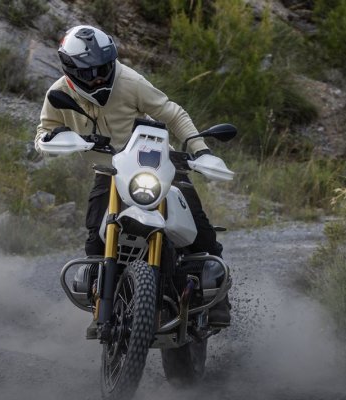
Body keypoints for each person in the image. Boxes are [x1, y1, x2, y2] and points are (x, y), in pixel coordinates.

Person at [34, 25, 231, 336]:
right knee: (95, 235)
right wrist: (55, 139)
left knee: (199, 225)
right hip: (109, 172)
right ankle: (102, 302)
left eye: (104, 67)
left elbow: (172, 113)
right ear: (71, 70)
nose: (99, 76)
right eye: (91, 72)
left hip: (155, 164)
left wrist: (200, 150)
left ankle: (219, 298)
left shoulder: (129, 81)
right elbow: (44, 131)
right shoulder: (58, 94)